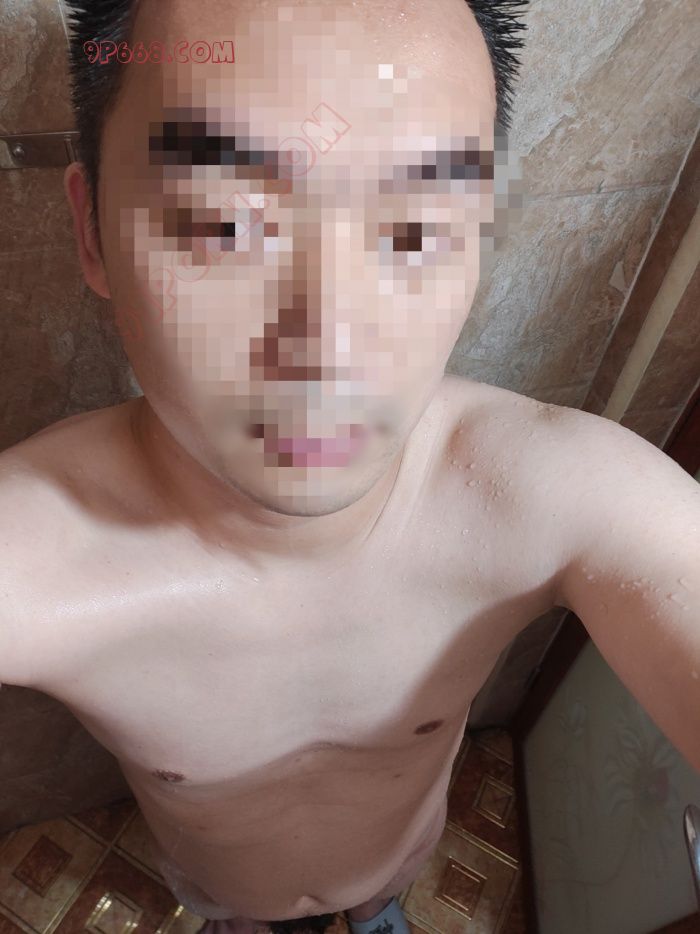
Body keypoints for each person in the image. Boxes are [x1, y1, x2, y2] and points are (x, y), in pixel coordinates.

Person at [5, 0, 695, 930]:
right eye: (223, 223)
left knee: (379, 901)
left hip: (400, 854)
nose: (327, 345)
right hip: (216, 880)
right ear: (92, 231)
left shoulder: (542, 499)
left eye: (416, 231)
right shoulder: (36, 555)